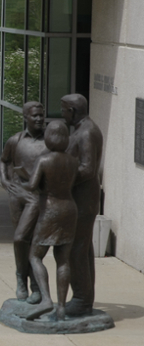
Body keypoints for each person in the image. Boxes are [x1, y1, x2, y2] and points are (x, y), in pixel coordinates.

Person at [21, 121, 80, 321]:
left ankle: (46, 299)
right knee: (63, 259)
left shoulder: (44, 160)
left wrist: (21, 176)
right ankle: (61, 308)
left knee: (35, 256)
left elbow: (32, 185)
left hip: (51, 210)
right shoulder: (73, 161)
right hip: (69, 209)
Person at [0, 101, 49, 303]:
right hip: (17, 195)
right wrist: (4, 180)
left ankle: (35, 284)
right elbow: (4, 160)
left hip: (37, 196)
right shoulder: (15, 140)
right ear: (25, 117)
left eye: (41, 115)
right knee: (20, 241)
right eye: (34, 115)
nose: (38, 119)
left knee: (30, 241)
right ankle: (22, 279)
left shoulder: (50, 141)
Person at [61, 93, 104, 317]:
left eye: (63, 109)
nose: (61, 114)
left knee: (76, 250)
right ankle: (84, 298)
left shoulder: (86, 131)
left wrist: (62, 177)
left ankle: (81, 300)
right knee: (83, 249)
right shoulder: (81, 129)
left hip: (83, 200)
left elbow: (87, 168)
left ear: (73, 111)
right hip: (81, 198)